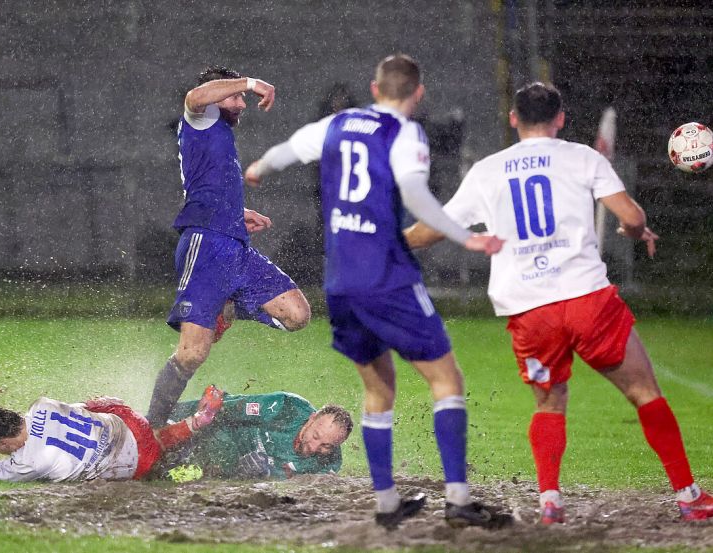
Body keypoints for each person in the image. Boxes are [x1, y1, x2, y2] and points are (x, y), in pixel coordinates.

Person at [404, 81, 713, 524]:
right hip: (587, 300)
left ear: (514, 119)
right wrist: (634, 230)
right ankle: (688, 497)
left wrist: (388, 244)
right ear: (561, 118)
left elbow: (434, 229)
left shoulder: (488, 171)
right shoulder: (583, 157)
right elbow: (631, 216)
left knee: (549, 405)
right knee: (645, 393)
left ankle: (550, 501)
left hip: (530, 310)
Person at [243, 54, 509, 529]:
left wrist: (259, 168)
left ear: (374, 86)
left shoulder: (340, 121)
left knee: (378, 388)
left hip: (341, 281)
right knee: (447, 381)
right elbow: (417, 196)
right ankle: (459, 500)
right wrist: (466, 235)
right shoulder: (405, 132)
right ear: (418, 94)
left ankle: (387, 503)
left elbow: (285, 152)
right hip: (385, 274)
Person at [145, 66, 312, 428]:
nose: (243, 103)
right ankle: (152, 430)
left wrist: (238, 213)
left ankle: (232, 303)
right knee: (191, 355)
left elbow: (206, 184)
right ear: (218, 96)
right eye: (236, 98)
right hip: (205, 247)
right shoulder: (201, 117)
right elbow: (194, 96)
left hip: (235, 246)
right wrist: (252, 83)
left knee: (297, 315)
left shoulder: (216, 131)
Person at [0, 386, 225, 482]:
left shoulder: (26, 463)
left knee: (153, 462)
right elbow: (84, 406)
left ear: (5, 442)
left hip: (134, 461)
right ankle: (193, 421)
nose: (0, 455)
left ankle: (189, 451)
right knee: (111, 413)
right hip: (126, 418)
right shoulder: (41, 405)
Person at [166, 391, 352, 479]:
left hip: (228, 464)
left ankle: (172, 468)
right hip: (220, 431)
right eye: (316, 436)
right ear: (312, 419)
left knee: (218, 469)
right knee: (224, 451)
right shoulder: (283, 407)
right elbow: (224, 408)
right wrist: (175, 422)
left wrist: (268, 473)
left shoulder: (329, 461)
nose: (314, 447)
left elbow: (306, 487)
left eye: (326, 446)